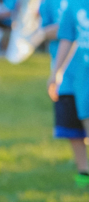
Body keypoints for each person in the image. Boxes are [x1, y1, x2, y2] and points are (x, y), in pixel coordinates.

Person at [47, 0, 89, 188]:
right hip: (83, 76)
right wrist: (57, 72)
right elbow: (67, 38)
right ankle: (85, 173)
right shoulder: (75, 4)